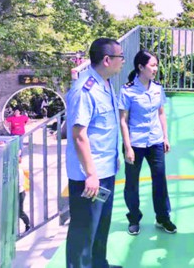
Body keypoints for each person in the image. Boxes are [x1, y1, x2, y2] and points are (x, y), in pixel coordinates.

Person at [65, 38, 124, 268]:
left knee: (100, 225)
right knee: (83, 232)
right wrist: (91, 174)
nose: (123, 61)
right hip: (89, 178)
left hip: (105, 171)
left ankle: (100, 264)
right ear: (107, 60)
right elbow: (79, 135)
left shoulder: (105, 84)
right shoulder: (84, 90)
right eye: (120, 57)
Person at [118, 50, 176, 236]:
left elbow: (161, 113)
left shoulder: (157, 88)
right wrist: (127, 147)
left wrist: (165, 137)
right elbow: (123, 121)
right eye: (152, 65)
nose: (155, 69)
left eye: (156, 65)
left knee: (160, 180)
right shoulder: (127, 90)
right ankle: (134, 218)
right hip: (135, 142)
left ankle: (163, 218)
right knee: (132, 182)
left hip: (155, 140)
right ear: (141, 67)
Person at [18, 152, 31, 234]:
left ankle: (28, 225)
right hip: (19, 192)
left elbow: (19, 183)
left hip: (20, 193)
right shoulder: (17, 169)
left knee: (19, 212)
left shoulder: (18, 170)